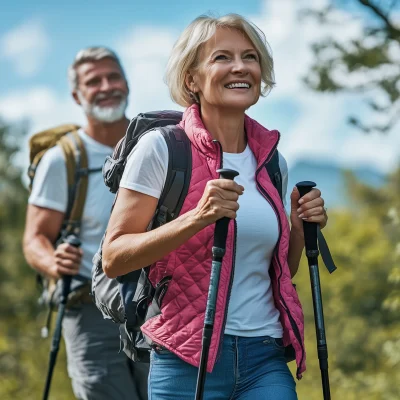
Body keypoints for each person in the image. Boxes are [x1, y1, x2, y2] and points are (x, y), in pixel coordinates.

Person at [102, 14, 328, 400]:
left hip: (265, 358)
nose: (240, 67)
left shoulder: (273, 162)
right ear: (192, 79)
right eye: (222, 57)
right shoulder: (161, 149)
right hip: (183, 358)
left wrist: (298, 228)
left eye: (250, 57)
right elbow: (115, 256)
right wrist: (197, 217)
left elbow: (276, 272)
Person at [23, 47, 148, 400]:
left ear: (126, 83)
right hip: (87, 305)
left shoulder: (155, 144)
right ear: (77, 95)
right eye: (94, 81)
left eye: (113, 77)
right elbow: (35, 238)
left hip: (154, 300)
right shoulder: (62, 159)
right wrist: (53, 262)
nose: (106, 86)